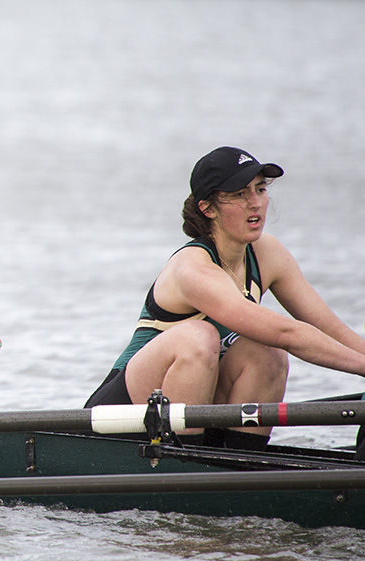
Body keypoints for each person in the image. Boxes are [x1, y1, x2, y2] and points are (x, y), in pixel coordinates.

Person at [84, 146, 365, 450]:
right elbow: (287, 333)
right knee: (199, 337)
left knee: (266, 351)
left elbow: (333, 331)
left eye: (259, 190)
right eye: (240, 195)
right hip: (119, 419)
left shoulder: (268, 254)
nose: (255, 204)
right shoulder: (192, 268)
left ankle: (242, 463)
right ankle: (185, 468)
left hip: (195, 411)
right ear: (208, 208)